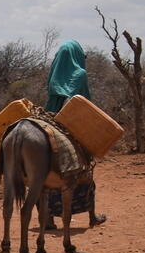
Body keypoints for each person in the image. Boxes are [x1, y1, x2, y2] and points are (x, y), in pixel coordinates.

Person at [43, 38, 106, 229]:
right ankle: (92, 216)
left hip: (49, 121)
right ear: (77, 55)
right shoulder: (80, 73)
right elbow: (83, 101)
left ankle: (48, 219)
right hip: (71, 125)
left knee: (45, 172)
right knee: (86, 165)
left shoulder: (54, 73)